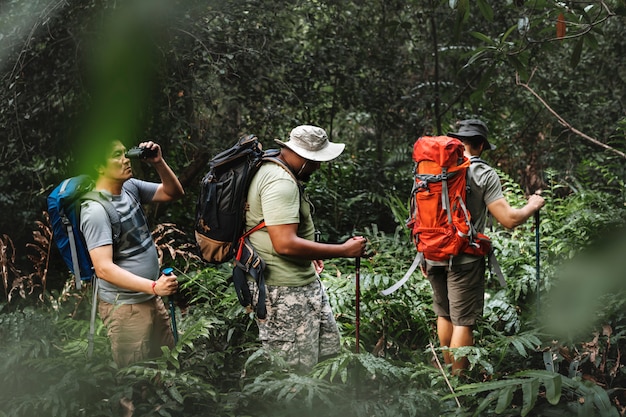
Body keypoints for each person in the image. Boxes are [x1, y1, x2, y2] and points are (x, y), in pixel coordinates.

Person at [423, 119, 545, 375]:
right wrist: (532, 205)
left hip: (431, 252)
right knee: (463, 321)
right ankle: (459, 383)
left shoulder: (432, 168)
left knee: (444, 315)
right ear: (480, 145)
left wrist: (423, 253)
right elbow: (508, 219)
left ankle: (446, 374)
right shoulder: (483, 173)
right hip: (464, 257)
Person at [244, 124, 366, 371]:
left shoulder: (274, 168)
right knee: (294, 373)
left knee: (325, 359)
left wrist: (312, 252)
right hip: (284, 290)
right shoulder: (281, 182)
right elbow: (285, 244)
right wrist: (343, 251)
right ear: (304, 157)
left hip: (301, 284)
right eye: (316, 161)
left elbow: (276, 231)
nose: (319, 166)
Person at [80, 139, 185, 368]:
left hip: (150, 297)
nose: (126, 159)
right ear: (99, 166)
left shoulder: (130, 187)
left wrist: (158, 162)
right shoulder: (95, 211)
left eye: (125, 153)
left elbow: (173, 192)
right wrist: (154, 287)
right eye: (117, 155)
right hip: (125, 307)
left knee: (165, 368)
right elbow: (103, 268)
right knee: (135, 379)